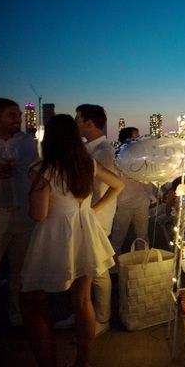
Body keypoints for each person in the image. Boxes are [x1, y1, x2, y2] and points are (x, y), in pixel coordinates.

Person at [21, 114, 123, 367]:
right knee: (82, 299)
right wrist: (92, 209)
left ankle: (49, 363)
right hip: (84, 230)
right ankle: (82, 363)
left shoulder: (43, 169)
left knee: (34, 302)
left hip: (54, 236)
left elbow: (39, 214)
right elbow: (118, 185)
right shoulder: (86, 163)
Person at [0, 98, 37, 327]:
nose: (18, 120)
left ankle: (17, 315)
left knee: (20, 270)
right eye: (11, 115)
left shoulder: (28, 142)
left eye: (19, 115)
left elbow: (39, 172)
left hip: (23, 214)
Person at [75, 104, 118, 335]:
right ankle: (83, 311)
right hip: (86, 216)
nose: (76, 123)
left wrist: (92, 213)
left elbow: (107, 189)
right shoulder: (88, 149)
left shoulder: (103, 152)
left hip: (97, 219)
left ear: (89, 123)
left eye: (78, 119)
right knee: (84, 266)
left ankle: (102, 318)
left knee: (99, 269)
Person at [110, 127, 156, 257]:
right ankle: (114, 265)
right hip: (122, 202)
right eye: (135, 138)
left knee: (142, 234)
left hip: (141, 201)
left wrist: (150, 196)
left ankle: (142, 261)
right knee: (118, 235)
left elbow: (146, 179)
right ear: (127, 139)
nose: (138, 140)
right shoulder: (116, 156)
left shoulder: (142, 156)